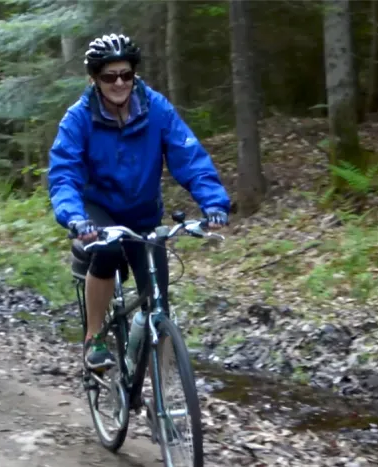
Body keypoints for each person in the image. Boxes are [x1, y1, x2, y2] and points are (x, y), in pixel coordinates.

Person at [47, 34, 231, 373]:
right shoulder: (79, 118)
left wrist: (213, 203)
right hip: (98, 210)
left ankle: (162, 396)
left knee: (158, 304)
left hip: (144, 214)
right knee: (106, 253)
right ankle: (95, 337)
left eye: (126, 75)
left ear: (134, 75)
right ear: (95, 80)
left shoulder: (156, 108)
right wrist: (75, 218)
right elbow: (63, 175)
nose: (119, 83)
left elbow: (189, 156)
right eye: (109, 76)